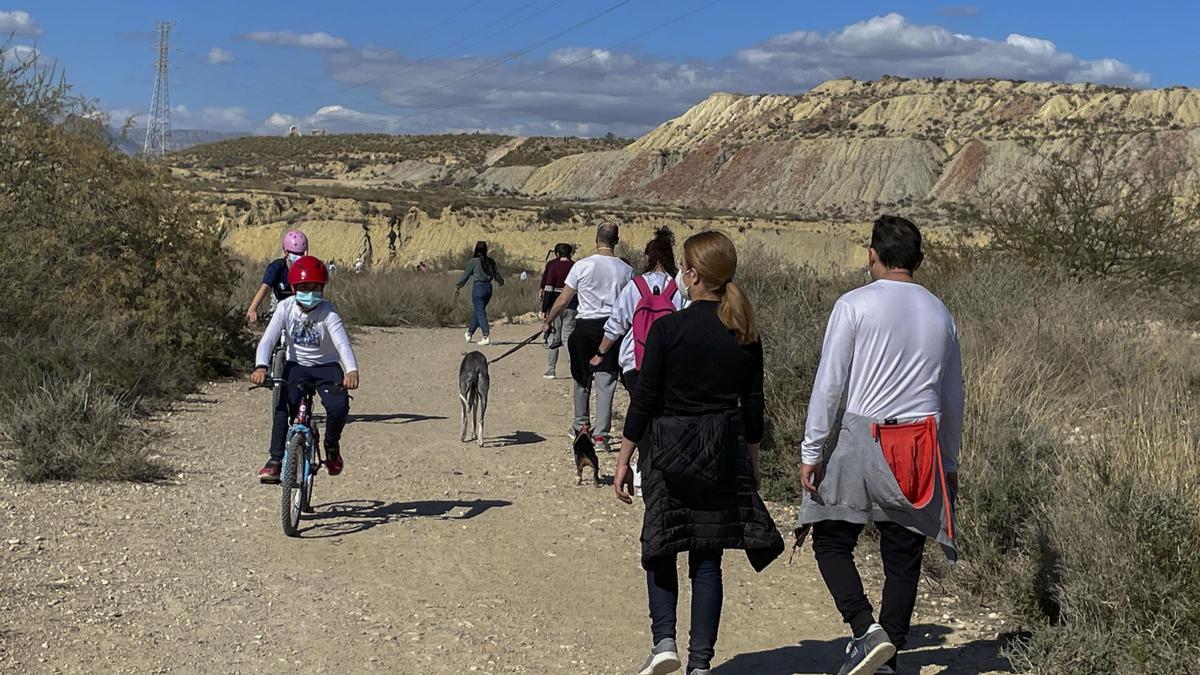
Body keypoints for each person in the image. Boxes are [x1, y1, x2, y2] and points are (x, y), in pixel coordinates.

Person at [797, 215, 963, 675]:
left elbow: (829, 384)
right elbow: (953, 398)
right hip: (920, 442)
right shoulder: (940, 312)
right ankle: (889, 655)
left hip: (863, 435)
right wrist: (949, 463)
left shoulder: (853, 304)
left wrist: (812, 450)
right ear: (918, 259)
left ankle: (865, 630)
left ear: (872, 253)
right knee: (903, 552)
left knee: (831, 538)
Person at [615, 231, 784, 675]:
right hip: (721, 452)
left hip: (667, 451)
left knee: (661, 545)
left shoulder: (669, 329)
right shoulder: (744, 331)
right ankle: (700, 664)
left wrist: (622, 458)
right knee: (707, 557)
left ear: (691, 276)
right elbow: (753, 408)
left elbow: (644, 399)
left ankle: (664, 641)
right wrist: (753, 460)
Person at [250, 255, 361, 483]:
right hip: (296, 366)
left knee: (338, 406)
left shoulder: (328, 312)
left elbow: (342, 343)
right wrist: (262, 366)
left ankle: (331, 446)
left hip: (326, 367)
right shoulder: (285, 307)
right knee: (283, 406)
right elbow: (268, 339)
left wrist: (351, 371)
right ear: (293, 288)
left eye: (314, 288)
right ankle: (275, 460)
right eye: (303, 287)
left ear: (322, 288)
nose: (309, 293)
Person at [542, 222, 633, 451]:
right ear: (617, 241)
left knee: (581, 378)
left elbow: (563, 300)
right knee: (606, 381)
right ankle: (601, 436)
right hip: (612, 329)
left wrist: (548, 320)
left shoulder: (582, 266)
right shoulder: (626, 270)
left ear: (596, 239)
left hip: (584, 328)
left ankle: (581, 426)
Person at [590, 227, 684, 395]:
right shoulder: (680, 289)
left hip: (636, 363)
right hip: (672, 364)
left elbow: (616, 324)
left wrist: (600, 353)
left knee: (641, 413)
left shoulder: (635, 286)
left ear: (649, 257)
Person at [245, 229, 307, 323]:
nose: (298, 257)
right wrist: (252, 309)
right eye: (294, 253)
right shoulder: (277, 267)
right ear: (286, 252)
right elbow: (265, 288)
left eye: (301, 254)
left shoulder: (307, 269)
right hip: (278, 303)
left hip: (299, 305)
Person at [539, 243, 577, 379]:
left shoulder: (553, 266)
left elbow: (548, 289)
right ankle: (574, 368)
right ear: (571, 254)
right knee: (568, 338)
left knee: (553, 337)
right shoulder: (576, 266)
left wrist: (545, 310)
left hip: (555, 307)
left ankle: (551, 370)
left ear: (557, 254)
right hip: (573, 306)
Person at [456, 240, 505, 346]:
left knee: (480, 311)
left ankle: (486, 336)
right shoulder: (490, 261)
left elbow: (466, 275)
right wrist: (500, 281)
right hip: (488, 288)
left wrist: (459, 285)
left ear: (476, 249)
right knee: (478, 311)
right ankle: (469, 333)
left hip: (478, 288)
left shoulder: (473, 261)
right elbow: (497, 275)